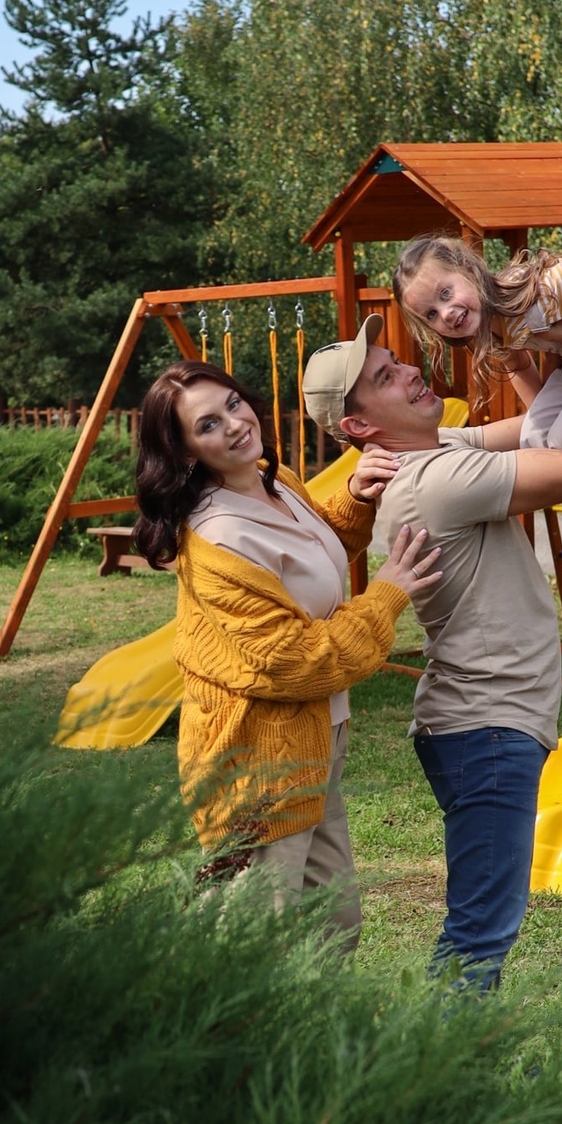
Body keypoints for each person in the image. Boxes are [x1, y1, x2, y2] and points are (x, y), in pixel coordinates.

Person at [302, 290, 562, 993]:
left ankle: (445, 1051)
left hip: (480, 726)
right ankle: (439, 1058)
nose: (409, 371)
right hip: (486, 730)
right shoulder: (438, 480)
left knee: (481, 927)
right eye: (385, 377)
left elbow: (541, 427)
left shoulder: (437, 451)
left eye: (396, 360)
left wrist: (518, 352)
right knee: (480, 933)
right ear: (359, 425)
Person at [132, 357, 440, 950]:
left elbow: (310, 563)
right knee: (255, 947)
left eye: (233, 405)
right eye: (208, 425)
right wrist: (385, 597)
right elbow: (296, 660)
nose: (234, 424)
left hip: (314, 739)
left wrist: (353, 498)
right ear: (186, 451)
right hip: (256, 762)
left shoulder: (274, 482)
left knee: (334, 925)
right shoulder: (219, 538)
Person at [393, 233, 562, 555]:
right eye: (431, 314)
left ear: (468, 270)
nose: (446, 313)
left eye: (445, 293)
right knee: (535, 436)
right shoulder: (488, 326)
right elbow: (521, 366)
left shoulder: (537, 297)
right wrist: (545, 421)